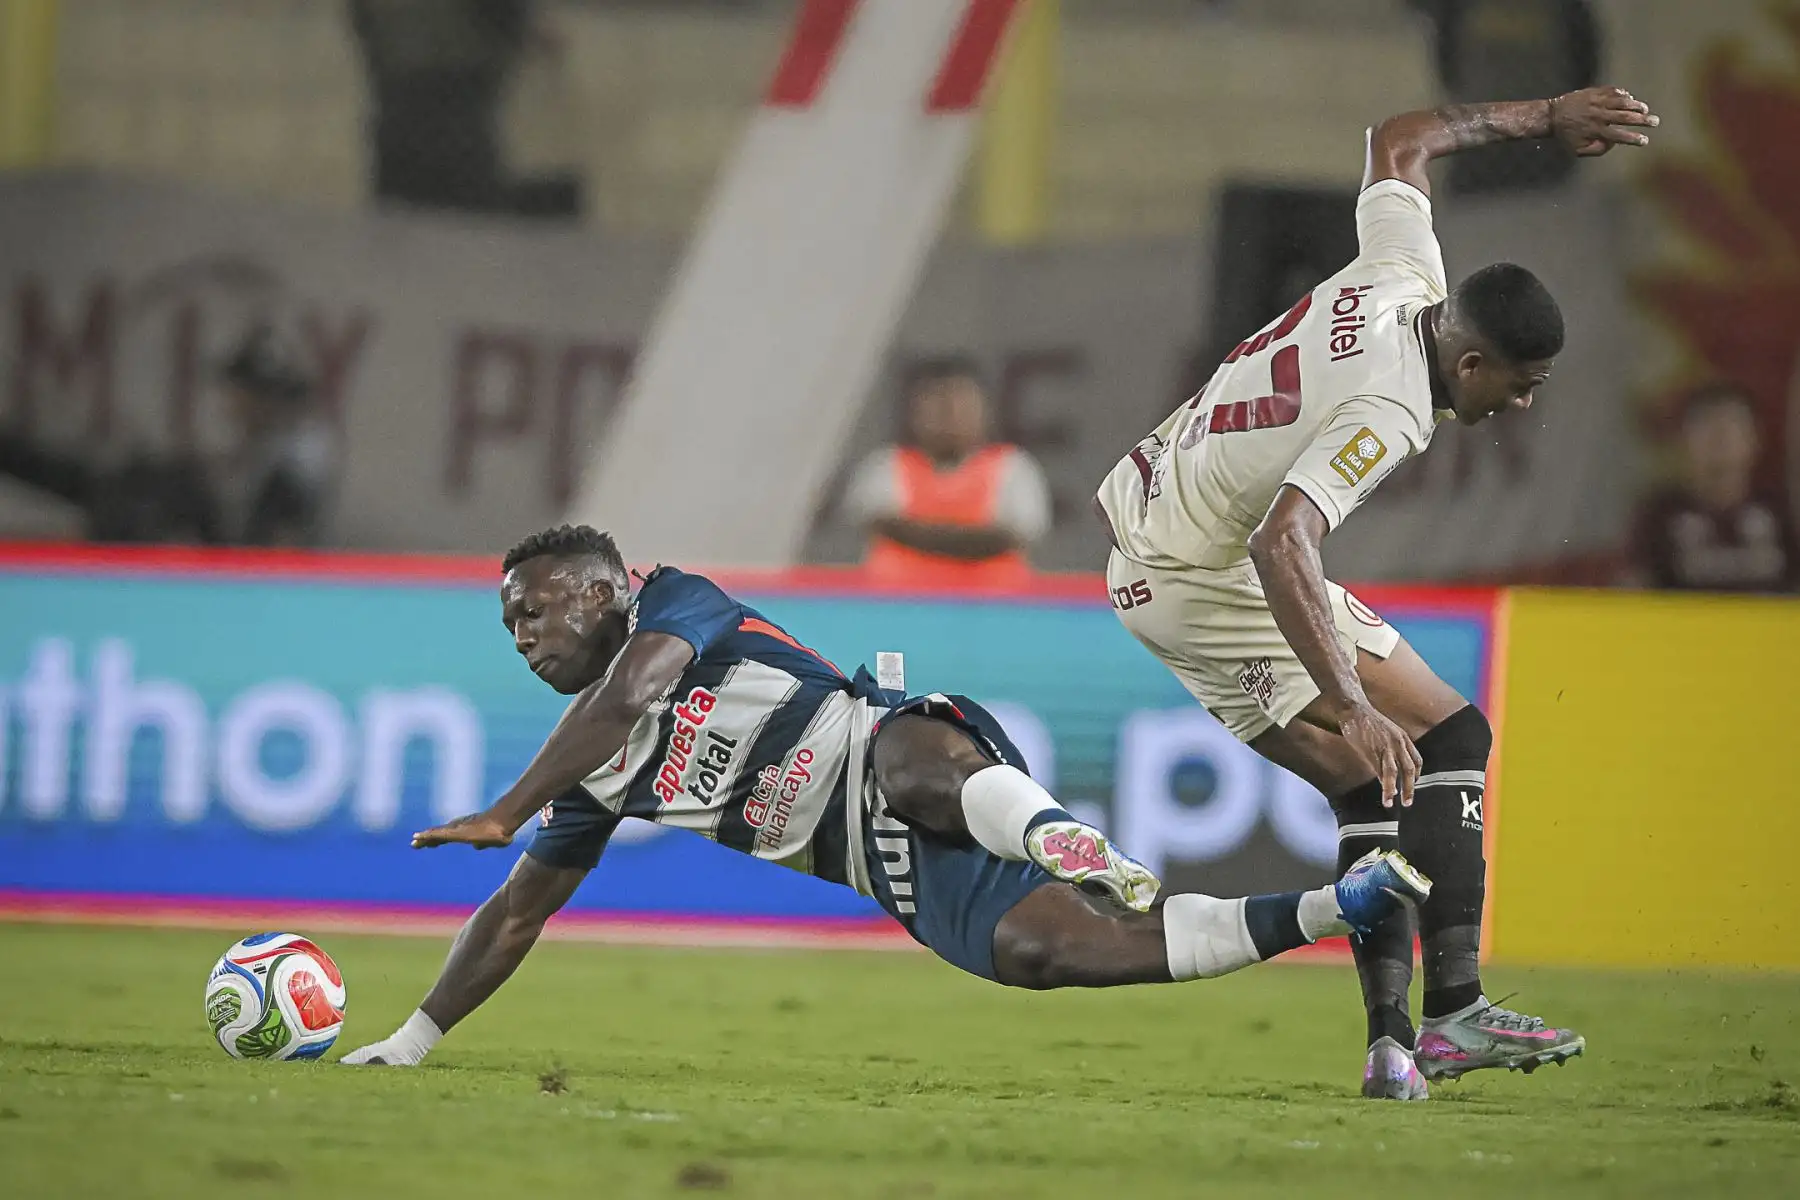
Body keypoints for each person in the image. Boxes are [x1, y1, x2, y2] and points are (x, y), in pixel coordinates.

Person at [341, 524, 1430, 1068]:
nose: (520, 637)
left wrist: (507, 804)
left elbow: (634, 691)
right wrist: (411, 1040)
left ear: (600, 591)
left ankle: (1056, 832)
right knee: (1051, 958)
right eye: (508, 626)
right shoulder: (593, 775)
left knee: (914, 770)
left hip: (888, 743)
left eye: (531, 613)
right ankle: (1342, 910)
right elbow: (519, 911)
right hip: (879, 867)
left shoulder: (675, 605)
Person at [1095, 86, 1659, 1099]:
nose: (1524, 402)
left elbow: (1400, 140)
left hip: (1159, 538)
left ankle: (1394, 1045)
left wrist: (1545, 119)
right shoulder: (1394, 408)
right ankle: (1454, 1012)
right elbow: (1286, 541)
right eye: (1520, 382)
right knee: (1445, 739)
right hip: (1200, 567)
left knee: (1373, 784)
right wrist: (1352, 704)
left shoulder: (1408, 271)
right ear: (1472, 358)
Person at [843, 359, 1052, 586]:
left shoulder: (1014, 469)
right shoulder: (885, 467)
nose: (950, 415)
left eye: (961, 404)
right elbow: (879, 522)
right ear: (914, 413)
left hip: (995, 607)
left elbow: (1014, 536)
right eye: (938, 406)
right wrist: (974, 541)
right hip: (898, 605)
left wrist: (917, 535)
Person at [1628, 383, 1796, 593]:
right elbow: (1636, 589)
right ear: (1683, 438)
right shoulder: (1658, 513)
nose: (1720, 437)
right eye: (1705, 424)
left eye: (1733, 424)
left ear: (1755, 438)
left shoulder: (1782, 511)